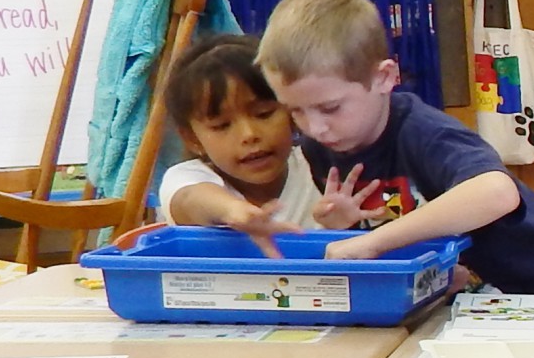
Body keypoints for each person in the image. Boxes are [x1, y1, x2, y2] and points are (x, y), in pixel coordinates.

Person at [259, 0, 534, 293]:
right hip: (489, 307)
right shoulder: (322, 146)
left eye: (330, 108)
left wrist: (372, 241)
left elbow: (497, 192)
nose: (315, 128)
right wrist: (346, 227)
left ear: (385, 78)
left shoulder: (422, 131)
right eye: (295, 111)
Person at [154, 35, 374, 239]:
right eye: (222, 126)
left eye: (263, 114)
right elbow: (190, 199)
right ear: (192, 139)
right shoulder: (185, 177)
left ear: (292, 111)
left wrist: (344, 228)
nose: (249, 135)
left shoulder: (321, 167)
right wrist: (233, 211)